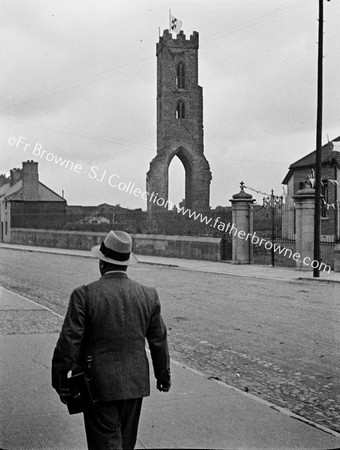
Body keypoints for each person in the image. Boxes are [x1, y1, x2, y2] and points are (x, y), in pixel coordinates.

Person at [52, 230, 171, 449]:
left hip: (98, 386)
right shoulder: (148, 295)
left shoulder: (84, 295)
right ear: (126, 263)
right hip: (135, 385)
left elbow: (69, 340)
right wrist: (163, 376)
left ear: (101, 263)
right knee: (125, 444)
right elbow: (159, 341)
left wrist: (59, 379)